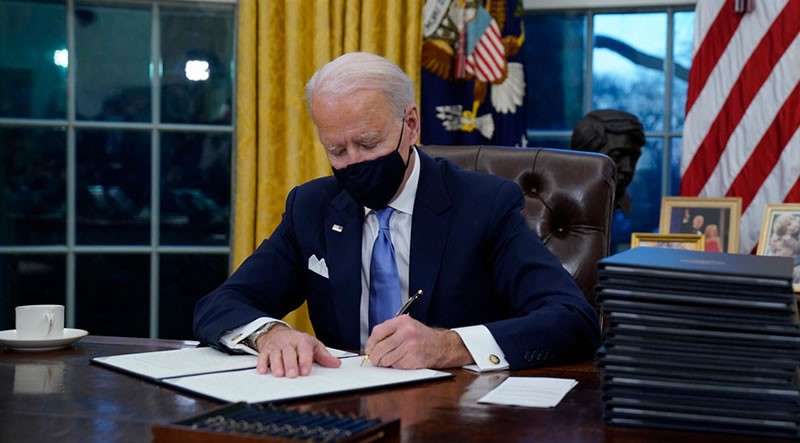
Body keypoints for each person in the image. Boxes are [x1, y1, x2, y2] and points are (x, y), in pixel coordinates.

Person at [193, 52, 600, 378]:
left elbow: (573, 320)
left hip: (456, 411)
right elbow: (222, 303)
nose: (353, 163)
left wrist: (449, 346)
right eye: (337, 150)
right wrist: (270, 333)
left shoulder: (484, 205)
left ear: (411, 124)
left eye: (368, 143)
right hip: (343, 407)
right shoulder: (312, 207)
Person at [570, 109, 645, 216]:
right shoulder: (558, 206)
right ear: (585, 157)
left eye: (634, 158)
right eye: (617, 157)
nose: (628, 168)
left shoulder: (634, 211)